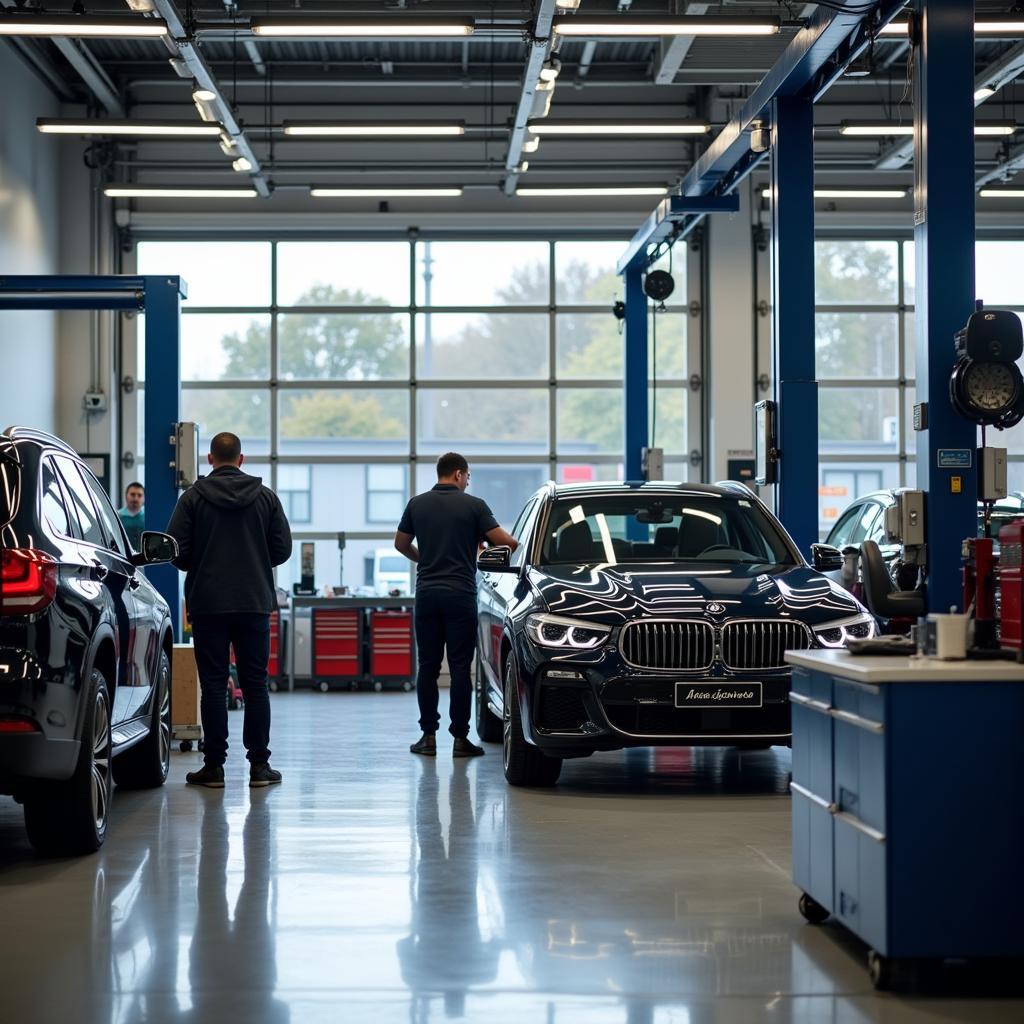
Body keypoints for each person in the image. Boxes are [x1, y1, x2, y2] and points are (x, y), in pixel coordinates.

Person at [167, 432, 292, 789]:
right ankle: (259, 767)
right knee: (256, 685)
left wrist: (201, 563)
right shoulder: (265, 498)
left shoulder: (192, 499)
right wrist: (254, 559)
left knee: (213, 684)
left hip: (208, 603)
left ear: (210, 459)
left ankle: (214, 768)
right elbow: (282, 549)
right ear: (241, 459)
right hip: (253, 602)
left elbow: (176, 549)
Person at [395, 452, 517, 758]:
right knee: (461, 668)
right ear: (459, 474)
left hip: (427, 594)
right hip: (460, 594)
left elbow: (400, 543)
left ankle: (428, 737)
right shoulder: (474, 506)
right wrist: (478, 546)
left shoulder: (417, 504)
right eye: (468, 477)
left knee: (428, 666)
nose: (467, 482)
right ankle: (460, 740)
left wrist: (425, 558)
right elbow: (508, 542)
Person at [118, 481, 146, 551]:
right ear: (126, 496)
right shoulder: (117, 516)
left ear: (144, 498)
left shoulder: (148, 517)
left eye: (139, 495)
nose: (136, 499)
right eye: (132, 494)